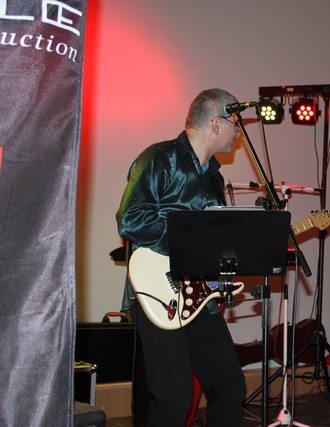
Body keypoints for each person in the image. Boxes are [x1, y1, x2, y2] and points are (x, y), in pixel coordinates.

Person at [116, 88, 246, 426]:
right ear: (216, 123)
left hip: (200, 297)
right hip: (159, 294)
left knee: (230, 384)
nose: (238, 132)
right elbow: (131, 219)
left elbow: (211, 241)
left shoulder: (214, 178)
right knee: (174, 395)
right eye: (235, 124)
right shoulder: (160, 158)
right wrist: (186, 244)